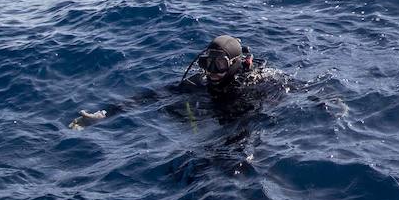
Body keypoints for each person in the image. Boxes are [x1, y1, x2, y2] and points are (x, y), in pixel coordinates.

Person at [68, 34, 264, 129]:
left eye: (219, 64)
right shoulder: (198, 83)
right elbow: (149, 97)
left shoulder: (254, 84)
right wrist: (106, 113)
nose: (211, 71)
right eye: (207, 63)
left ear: (234, 64)